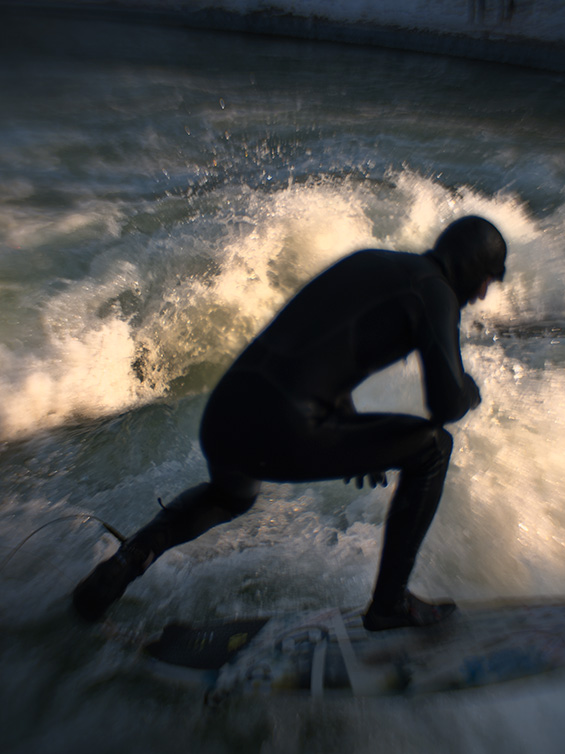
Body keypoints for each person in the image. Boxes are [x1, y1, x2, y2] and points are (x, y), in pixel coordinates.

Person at [72, 216, 507, 631]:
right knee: (434, 449)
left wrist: (353, 432)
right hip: (282, 425)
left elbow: (321, 352)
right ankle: (390, 605)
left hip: (226, 412)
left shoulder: (373, 261)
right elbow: (445, 404)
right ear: (469, 266)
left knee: (228, 496)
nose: (484, 294)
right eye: (488, 278)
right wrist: (470, 388)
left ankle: (123, 565)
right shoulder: (435, 291)